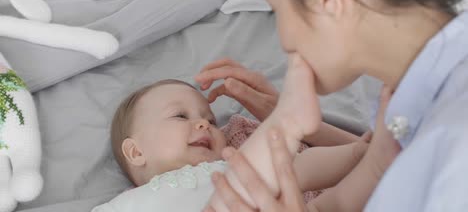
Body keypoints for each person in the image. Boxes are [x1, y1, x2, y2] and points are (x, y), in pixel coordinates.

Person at [197, 0, 468, 211]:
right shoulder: (406, 103)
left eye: (276, 10)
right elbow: (371, 162)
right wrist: (287, 118)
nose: (284, 39)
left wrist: (287, 120)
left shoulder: (453, 147)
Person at [92, 78, 372, 212]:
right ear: (136, 151)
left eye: (211, 120)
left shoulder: (231, 169)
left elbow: (300, 169)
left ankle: (376, 162)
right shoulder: (124, 206)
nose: (204, 125)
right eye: (180, 116)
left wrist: (355, 153)